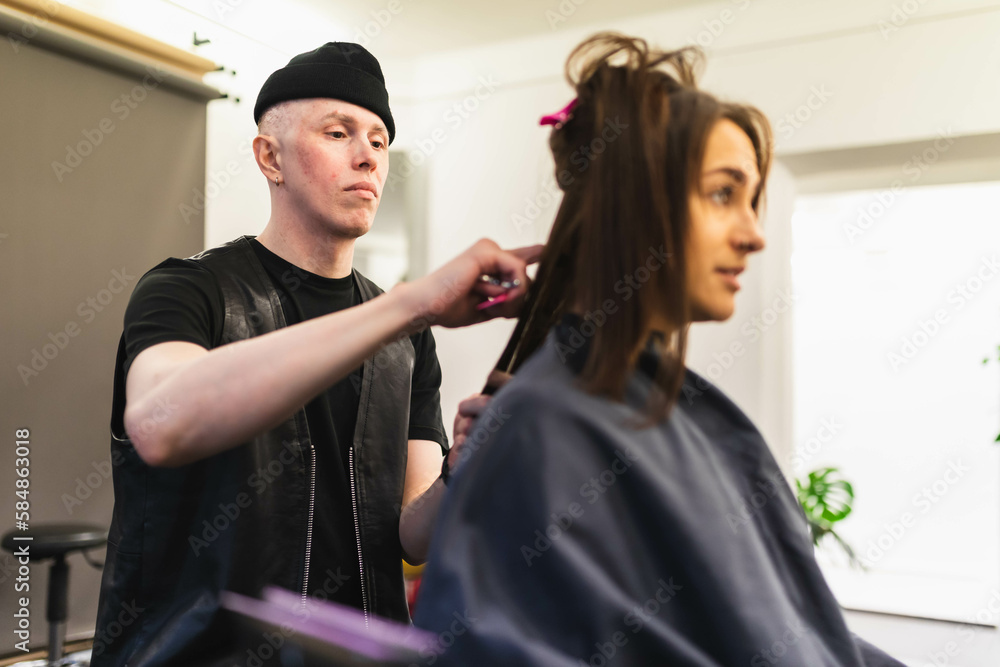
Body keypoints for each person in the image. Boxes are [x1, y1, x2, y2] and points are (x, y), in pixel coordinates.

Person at [414, 33, 904, 666]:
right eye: (724, 194)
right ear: (637, 203)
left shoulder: (661, 410)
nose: (753, 233)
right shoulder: (547, 425)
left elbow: (791, 632)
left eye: (751, 200)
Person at [92, 42, 539, 667]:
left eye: (380, 142)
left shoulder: (408, 337)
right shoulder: (188, 289)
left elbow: (411, 535)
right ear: (269, 156)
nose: (367, 157)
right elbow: (161, 425)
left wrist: (468, 468)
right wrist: (408, 306)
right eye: (338, 132)